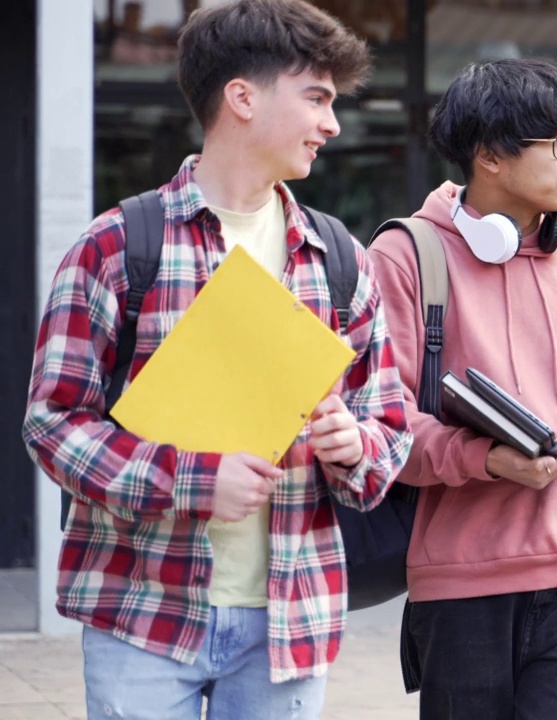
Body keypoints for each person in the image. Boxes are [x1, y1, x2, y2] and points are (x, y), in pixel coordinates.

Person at [21, 1, 413, 718]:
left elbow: (389, 428)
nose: (331, 124)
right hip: (141, 612)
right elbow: (53, 426)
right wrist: (191, 479)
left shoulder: (340, 263)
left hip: (289, 622)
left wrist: (353, 444)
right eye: (317, 98)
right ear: (242, 96)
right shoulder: (117, 248)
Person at [367, 58, 557, 720]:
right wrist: (482, 458)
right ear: (489, 156)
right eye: (554, 143)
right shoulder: (405, 258)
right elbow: (378, 427)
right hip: (461, 590)